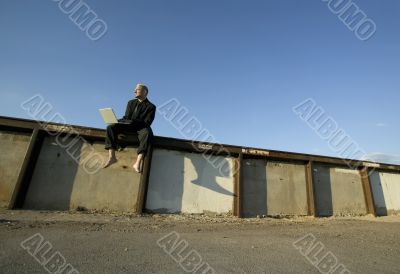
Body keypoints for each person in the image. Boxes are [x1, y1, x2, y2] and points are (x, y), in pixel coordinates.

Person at [103, 84, 156, 172]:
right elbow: (126, 117)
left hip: (141, 127)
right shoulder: (130, 102)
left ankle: (138, 162)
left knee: (147, 133)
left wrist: (133, 121)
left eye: (137, 89)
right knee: (110, 127)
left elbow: (147, 122)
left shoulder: (151, 107)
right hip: (128, 125)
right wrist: (117, 120)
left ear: (145, 92)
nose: (134, 91)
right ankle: (112, 157)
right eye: (135, 89)